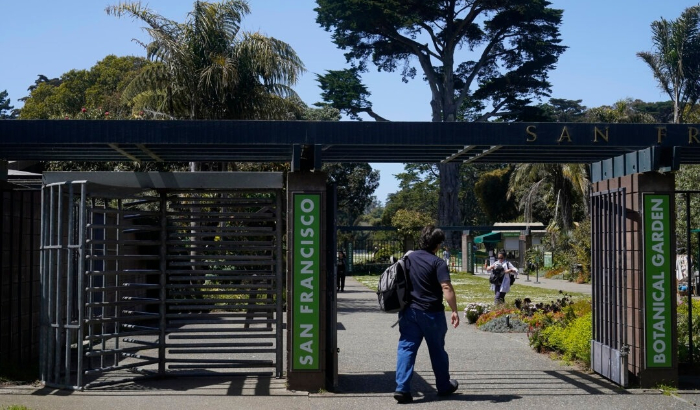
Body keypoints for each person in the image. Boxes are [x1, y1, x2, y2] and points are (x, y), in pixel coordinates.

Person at [394, 225, 459, 404]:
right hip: (432, 313)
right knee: (437, 350)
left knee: (406, 348)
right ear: (437, 244)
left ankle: (402, 388)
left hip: (409, 311)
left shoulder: (408, 258)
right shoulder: (438, 263)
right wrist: (454, 310)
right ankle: (443, 385)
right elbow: (446, 287)